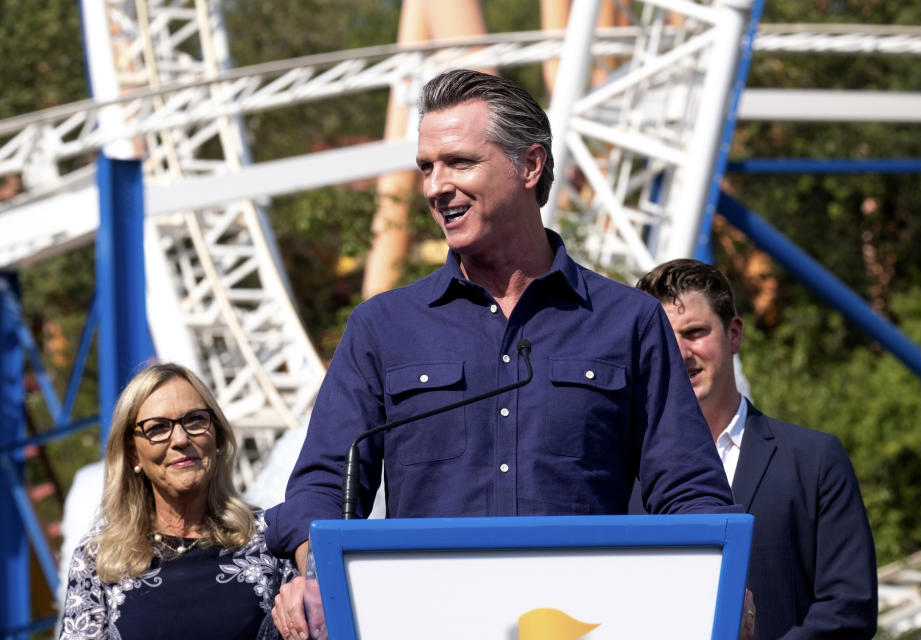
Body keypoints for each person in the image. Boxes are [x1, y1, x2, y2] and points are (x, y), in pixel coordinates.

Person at [267, 69, 737, 638]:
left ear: (530, 166)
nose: (435, 186)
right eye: (426, 167)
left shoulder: (628, 322)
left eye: (459, 162)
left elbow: (689, 488)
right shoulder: (381, 328)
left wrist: (727, 585)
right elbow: (322, 483)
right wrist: (315, 574)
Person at [637, 259, 878, 640]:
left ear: (734, 335)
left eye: (695, 332)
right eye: (666, 340)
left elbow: (849, 609)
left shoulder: (814, 462)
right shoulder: (621, 475)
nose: (680, 353)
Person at [59, 363, 295, 640]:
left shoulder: (272, 540)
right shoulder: (99, 559)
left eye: (195, 420)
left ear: (217, 435)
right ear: (134, 455)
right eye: (157, 428)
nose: (181, 439)